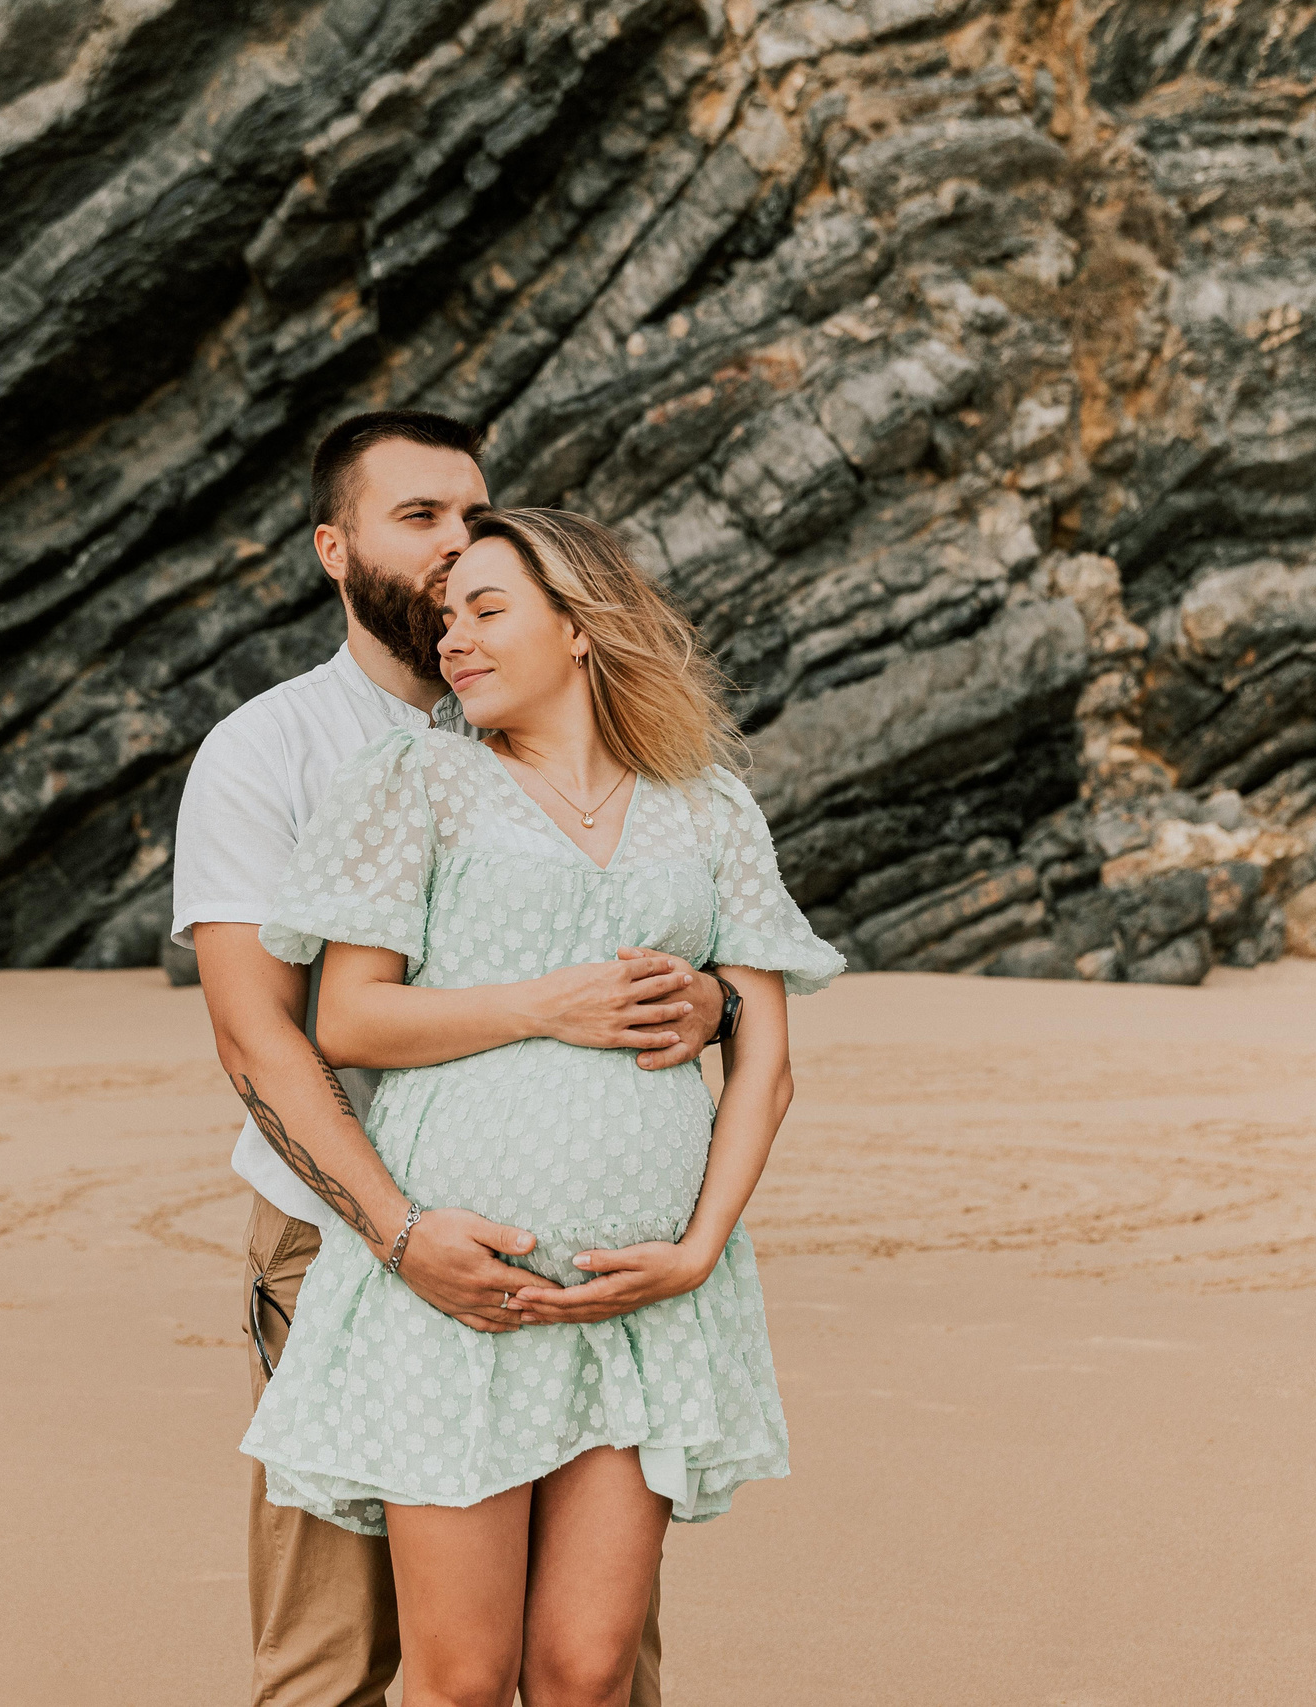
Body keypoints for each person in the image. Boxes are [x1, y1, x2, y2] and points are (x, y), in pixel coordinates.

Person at [172, 413, 732, 1707]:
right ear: (333, 545)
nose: (451, 546)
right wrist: (396, 1226)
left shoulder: (579, 744)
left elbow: (684, 940)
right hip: (347, 1236)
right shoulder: (273, 750)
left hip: (586, 1262)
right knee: (342, 1647)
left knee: (597, 1657)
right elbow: (258, 1029)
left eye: (471, 517)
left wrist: (705, 1000)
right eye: (416, 516)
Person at [241, 507, 843, 1707]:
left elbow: (763, 1060)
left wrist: (697, 1254)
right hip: (458, 1306)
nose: (452, 638)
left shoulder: (706, 804)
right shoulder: (419, 780)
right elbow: (348, 1019)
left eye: (486, 610)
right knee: (460, 1680)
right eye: (445, 616)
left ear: (579, 626)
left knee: (584, 1668)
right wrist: (543, 1006)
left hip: (637, 1307)